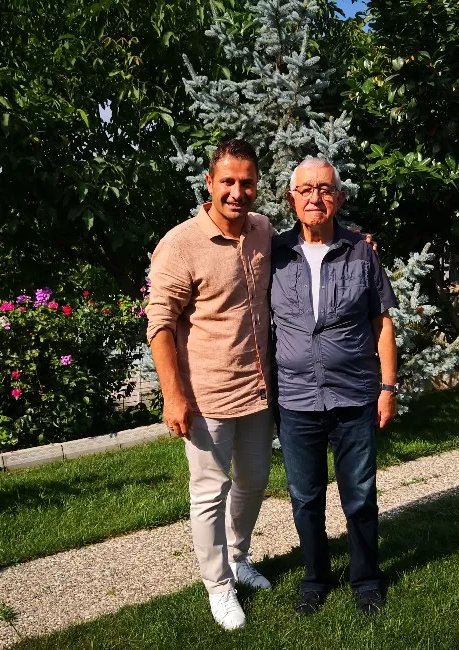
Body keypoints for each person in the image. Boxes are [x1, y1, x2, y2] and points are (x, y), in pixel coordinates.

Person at [145, 139, 274, 631]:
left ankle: (239, 558)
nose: (237, 192)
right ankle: (218, 588)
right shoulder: (181, 243)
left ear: (256, 185)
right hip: (207, 395)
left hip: (258, 390)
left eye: (247, 182)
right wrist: (173, 395)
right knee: (209, 493)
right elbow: (160, 322)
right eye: (228, 182)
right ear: (210, 183)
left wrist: (356, 241)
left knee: (254, 481)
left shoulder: (263, 230)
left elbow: (308, 243)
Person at [270, 157, 398, 617]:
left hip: (354, 395)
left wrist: (388, 387)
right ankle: (315, 578)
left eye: (324, 189)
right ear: (292, 199)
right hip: (296, 399)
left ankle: (366, 580)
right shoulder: (274, 253)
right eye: (305, 190)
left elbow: (382, 322)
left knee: (359, 496)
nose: (315, 198)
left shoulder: (361, 251)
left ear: (338, 198)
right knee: (305, 499)